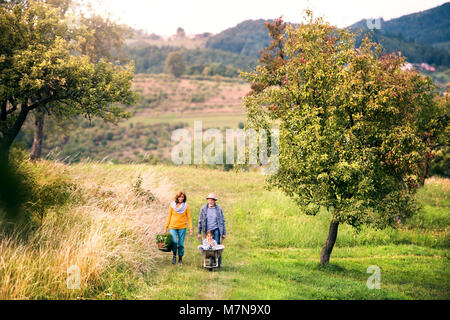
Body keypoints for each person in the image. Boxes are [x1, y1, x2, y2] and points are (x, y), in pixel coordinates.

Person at [164, 191, 193, 265]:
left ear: (184, 198)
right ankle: (174, 256)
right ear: (177, 197)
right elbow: (169, 216)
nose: (181, 198)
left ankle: (180, 259)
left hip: (182, 227)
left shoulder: (186, 206)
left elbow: (189, 218)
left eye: (182, 197)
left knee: (180, 244)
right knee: (174, 242)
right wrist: (166, 227)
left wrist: (191, 228)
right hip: (173, 227)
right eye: (179, 197)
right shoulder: (172, 205)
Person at [197, 193, 226, 267]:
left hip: (216, 229)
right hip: (207, 230)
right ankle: (208, 259)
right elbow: (200, 220)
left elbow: (222, 221)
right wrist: (199, 232)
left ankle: (218, 262)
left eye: (212, 200)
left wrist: (223, 233)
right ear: (207, 200)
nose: (211, 201)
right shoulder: (203, 209)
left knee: (216, 245)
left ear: (214, 201)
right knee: (207, 245)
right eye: (209, 200)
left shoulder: (219, 209)